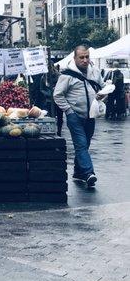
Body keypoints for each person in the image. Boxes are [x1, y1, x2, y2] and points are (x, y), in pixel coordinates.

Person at [53, 45, 104, 188]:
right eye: (81, 57)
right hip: (74, 115)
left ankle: (77, 172)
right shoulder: (67, 75)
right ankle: (89, 173)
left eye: (87, 56)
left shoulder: (95, 72)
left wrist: (102, 96)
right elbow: (57, 95)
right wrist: (68, 111)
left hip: (91, 115)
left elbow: (103, 86)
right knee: (81, 144)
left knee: (85, 144)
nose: (85, 60)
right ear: (75, 58)